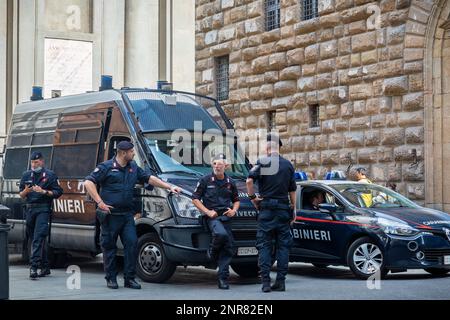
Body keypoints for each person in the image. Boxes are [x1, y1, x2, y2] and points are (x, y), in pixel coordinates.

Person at [84, 141, 181, 289]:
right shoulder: (106, 167)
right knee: (109, 247)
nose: (133, 153)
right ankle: (111, 278)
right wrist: (100, 202)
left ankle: (129, 279)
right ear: (123, 153)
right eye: (131, 152)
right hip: (110, 215)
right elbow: (88, 183)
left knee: (131, 244)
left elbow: (149, 178)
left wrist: (169, 187)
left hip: (127, 215)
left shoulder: (133, 167)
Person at [246, 134, 296, 293]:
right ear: (279, 147)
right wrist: (293, 209)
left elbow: (248, 181)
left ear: (267, 148)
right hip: (283, 209)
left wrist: (253, 198)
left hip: (266, 208)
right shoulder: (288, 165)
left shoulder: (262, 162)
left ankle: (266, 282)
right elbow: (292, 190)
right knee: (283, 246)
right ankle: (280, 282)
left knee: (265, 245)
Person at [192, 154, 240, 290]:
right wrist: (207, 212)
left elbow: (236, 200)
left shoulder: (231, 182)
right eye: (214, 163)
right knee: (221, 235)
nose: (217, 166)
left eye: (219, 164)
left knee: (228, 248)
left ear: (226, 166)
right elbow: (195, 198)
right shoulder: (205, 180)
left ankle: (222, 279)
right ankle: (212, 253)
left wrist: (234, 210)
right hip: (212, 217)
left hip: (226, 218)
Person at [19, 151, 63, 280]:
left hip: (43, 209)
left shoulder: (50, 175)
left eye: (36, 162)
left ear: (42, 162)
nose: (34, 164)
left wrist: (43, 191)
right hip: (30, 210)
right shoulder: (26, 174)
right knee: (34, 239)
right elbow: (21, 195)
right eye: (32, 162)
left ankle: (34, 267)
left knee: (38, 238)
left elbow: (58, 192)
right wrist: (26, 191)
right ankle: (45, 266)